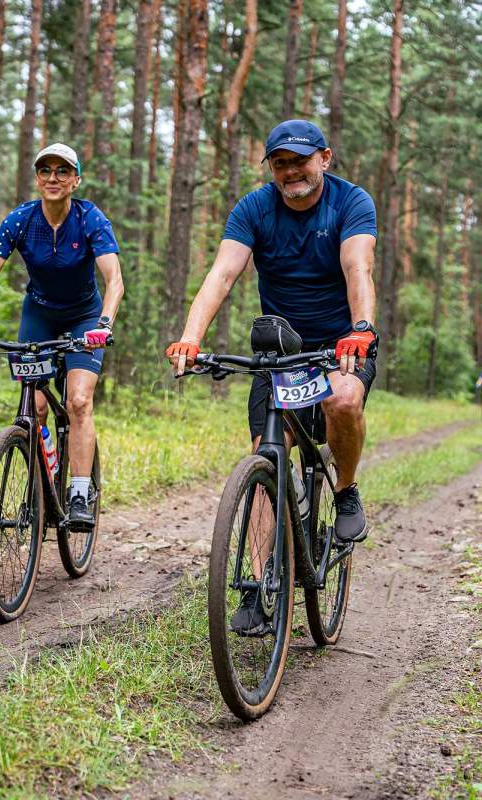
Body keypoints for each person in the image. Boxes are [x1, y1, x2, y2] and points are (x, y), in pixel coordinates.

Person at [166, 119, 377, 634]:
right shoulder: (255, 208)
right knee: (267, 460)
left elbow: (357, 270)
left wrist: (361, 329)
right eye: (280, 163)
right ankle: (260, 587)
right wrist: (191, 337)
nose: (290, 172)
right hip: (279, 349)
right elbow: (221, 274)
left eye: (300, 161)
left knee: (344, 401)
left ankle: (345, 490)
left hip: (341, 342)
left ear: (324, 158)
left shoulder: (350, 203)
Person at [0, 143, 124, 530]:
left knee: (77, 400)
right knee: (35, 407)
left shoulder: (89, 218)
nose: (53, 178)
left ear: (76, 179)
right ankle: (44, 482)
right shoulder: (21, 219)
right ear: (38, 178)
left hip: (84, 316)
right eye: (46, 171)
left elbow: (114, 280)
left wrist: (103, 325)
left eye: (63, 171)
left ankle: (78, 492)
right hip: (38, 315)